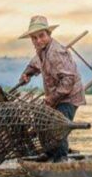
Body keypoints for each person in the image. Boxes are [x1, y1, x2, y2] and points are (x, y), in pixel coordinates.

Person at [17, 15, 86, 162]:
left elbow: (68, 80)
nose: (38, 40)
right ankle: (48, 153)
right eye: (34, 38)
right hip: (56, 96)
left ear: (49, 34)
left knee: (57, 125)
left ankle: (61, 159)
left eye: (41, 36)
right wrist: (26, 74)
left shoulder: (56, 52)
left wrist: (52, 98)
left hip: (69, 96)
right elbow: (34, 64)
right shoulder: (41, 50)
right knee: (40, 118)